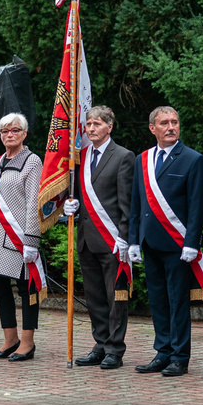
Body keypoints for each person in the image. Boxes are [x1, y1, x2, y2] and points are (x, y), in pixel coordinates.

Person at [128, 106, 203, 377]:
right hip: (150, 243)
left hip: (178, 245)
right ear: (153, 128)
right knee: (158, 301)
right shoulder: (142, 160)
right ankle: (162, 352)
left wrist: (192, 243)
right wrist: (133, 240)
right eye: (164, 123)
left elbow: (197, 207)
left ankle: (179, 356)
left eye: (175, 121)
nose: (171, 127)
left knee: (177, 302)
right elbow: (136, 203)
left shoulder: (193, 159)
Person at [63, 106, 135, 370]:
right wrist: (69, 205)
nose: (91, 128)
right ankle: (101, 343)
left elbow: (126, 202)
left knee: (115, 297)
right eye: (89, 124)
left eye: (97, 124)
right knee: (94, 297)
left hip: (112, 240)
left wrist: (125, 238)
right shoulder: (80, 157)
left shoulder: (123, 156)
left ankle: (115, 349)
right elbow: (79, 194)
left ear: (109, 126)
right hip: (86, 239)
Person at [0, 113, 43, 362]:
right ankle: (10, 339)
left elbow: (33, 204)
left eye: (15, 130)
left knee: (26, 289)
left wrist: (31, 240)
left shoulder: (32, 161)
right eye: (5, 131)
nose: (9, 134)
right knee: (0, 287)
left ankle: (27, 342)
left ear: (24, 134)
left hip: (18, 238)